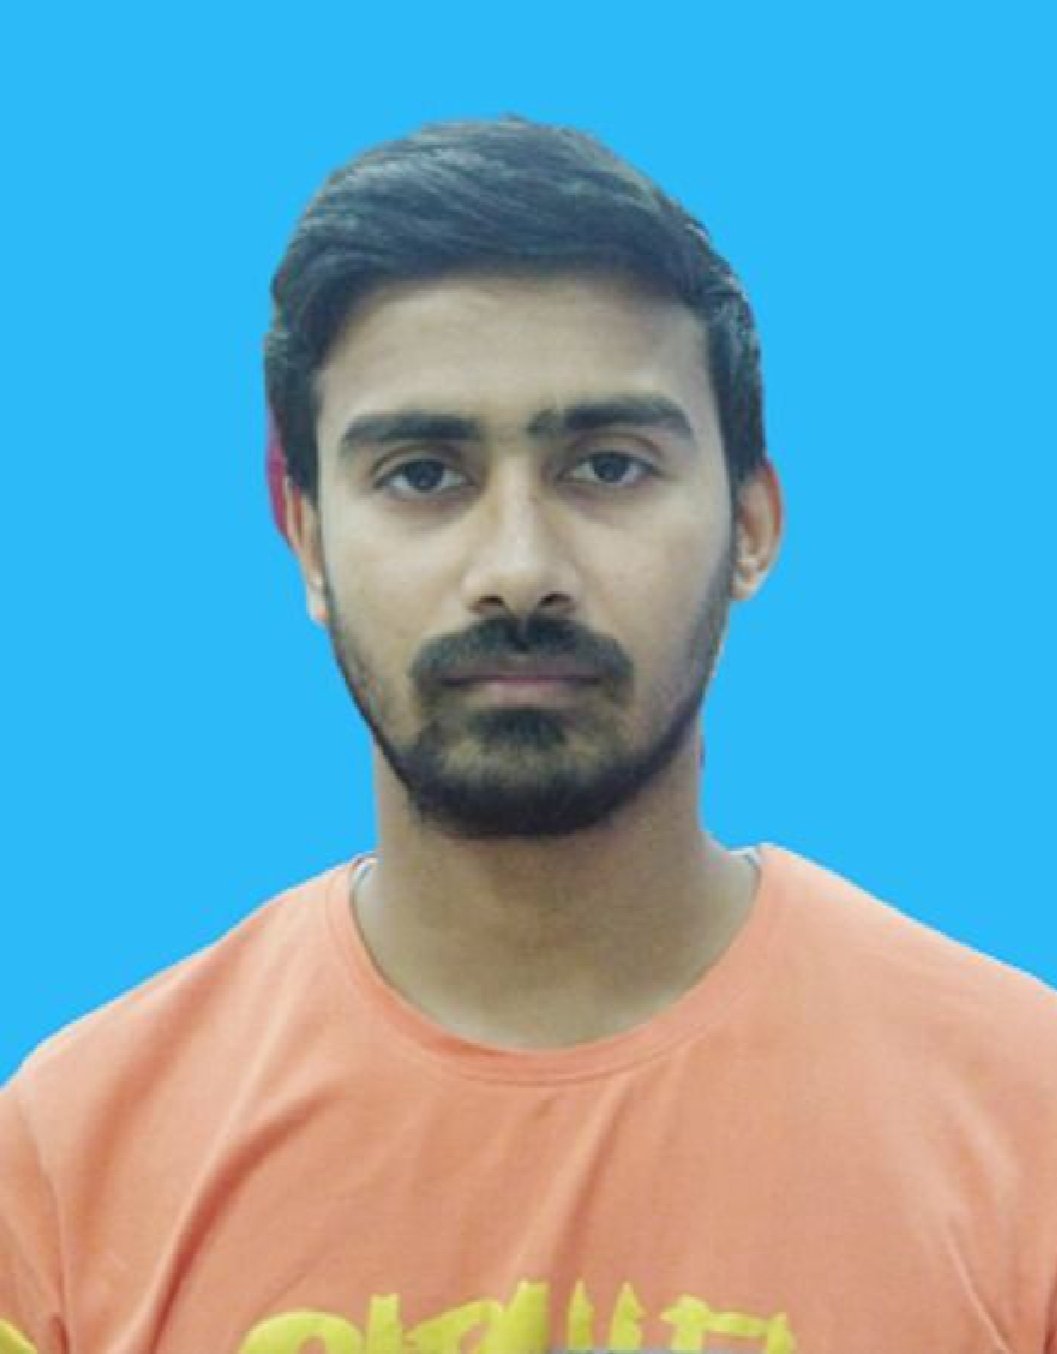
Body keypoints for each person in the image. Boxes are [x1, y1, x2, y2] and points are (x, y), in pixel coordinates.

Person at [2, 116, 1055, 1354]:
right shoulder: (69, 1159)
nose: (517, 568)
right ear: (308, 541)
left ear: (752, 525)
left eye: (607, 467)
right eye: (422, 473)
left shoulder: (1024, 1118)